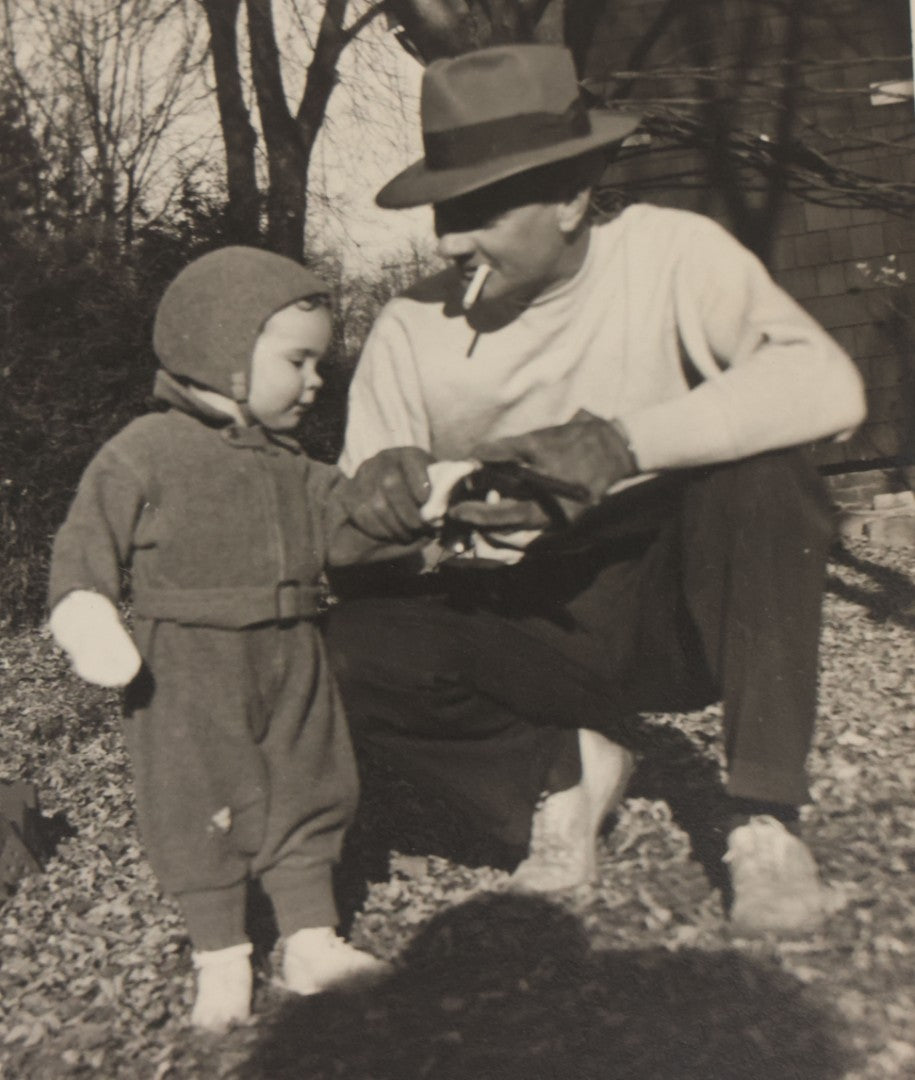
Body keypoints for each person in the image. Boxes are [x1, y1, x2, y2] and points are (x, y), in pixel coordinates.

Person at [324, 44, 867, 936]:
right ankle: (562, 773)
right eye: (441, 213)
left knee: (767, 478)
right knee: (341, 647)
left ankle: (763, 818)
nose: (451, 239)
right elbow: (347, 551)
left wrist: (620, 444)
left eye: (478, 209)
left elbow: (827, 388)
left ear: (572, 198)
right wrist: (374, 511)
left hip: (669, 605)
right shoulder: (408, 327)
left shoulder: (668, 254)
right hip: (516, 621)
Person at [47, 247, 387, 1032]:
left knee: (310, 779)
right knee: (194, 797)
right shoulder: (144, 450)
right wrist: (85, 607)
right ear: (227, 353)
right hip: (186, 661)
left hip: (293, 647)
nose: (315, 380)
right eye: (297, 360)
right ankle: (221, 956)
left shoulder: (295, 466)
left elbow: (351, 525)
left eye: (319, 363)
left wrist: (407, 503)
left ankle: (308, 939)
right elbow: (85, 540)